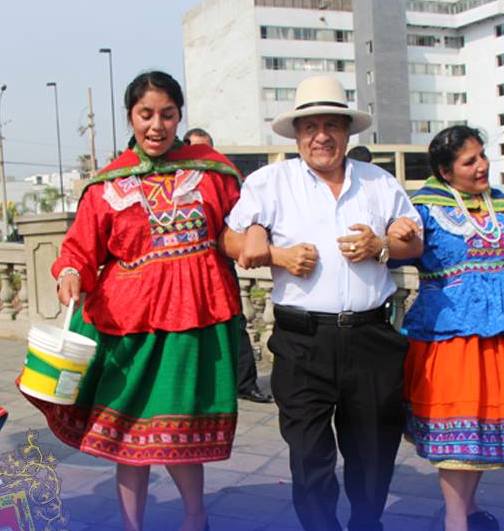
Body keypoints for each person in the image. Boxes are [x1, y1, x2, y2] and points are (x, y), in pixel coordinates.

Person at [20, 71, 243, 531]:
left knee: (183, 430)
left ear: (179, 116)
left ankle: (195, 518)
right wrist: (69, 274)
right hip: (126, 328)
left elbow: (246, 222)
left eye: (167, 114)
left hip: (192, 324)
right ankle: (131, 526)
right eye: (146, 115)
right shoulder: (107, 185)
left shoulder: (212, 174)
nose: (156, 125)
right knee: (126, 433)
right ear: (130, 117)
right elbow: (80, 250)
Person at [221, 75, 423, 531]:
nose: (321, 136)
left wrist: (382, 246)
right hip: (302, 341)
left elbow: (413, 241)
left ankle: (367, 524)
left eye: (332, 125)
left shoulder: (379, 182)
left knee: (373, 452)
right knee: (309, 453)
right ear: (296, 135)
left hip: (371, 338)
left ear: (347, 132)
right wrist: (277, 255)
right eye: (310, 126)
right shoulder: (270, 182)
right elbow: (230, 239)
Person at [400, 126, 504, 531]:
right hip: (451, 337)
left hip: (502, 339)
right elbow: (392, 255)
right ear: (445, 171)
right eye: (469, 161)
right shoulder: (424, 211)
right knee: (455, 437)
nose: (482, 166)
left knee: (480, 436)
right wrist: (389, 239)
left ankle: (469, 509)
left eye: (482, 156)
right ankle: (455, 520)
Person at [183, 127, 272, 404]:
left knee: (235, 324)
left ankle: (246, 384)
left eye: (207, 149)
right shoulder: (178, 185)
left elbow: (244, 216)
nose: (203, 155)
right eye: (196, 149)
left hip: (219, 265)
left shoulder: (224, 179)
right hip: (186, 271)